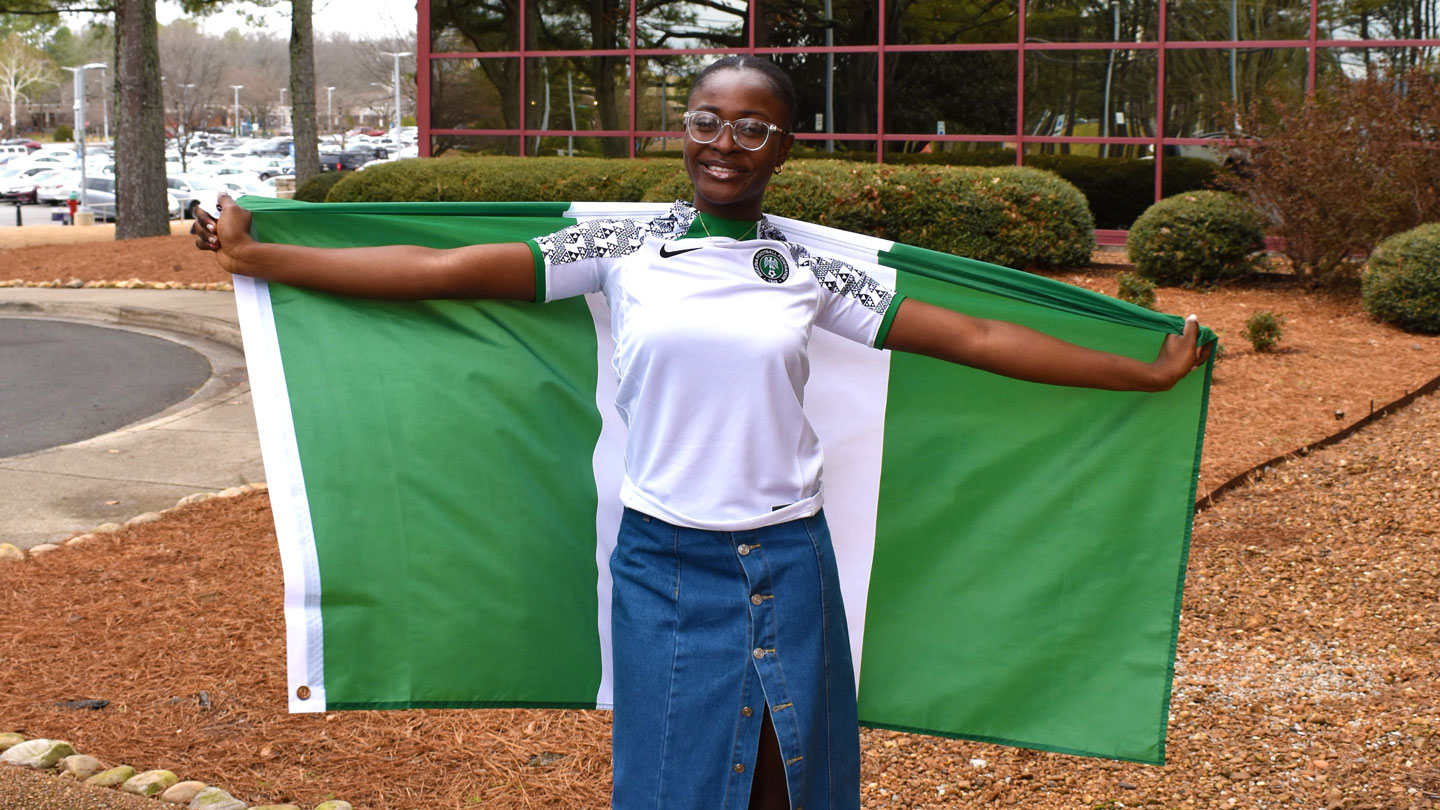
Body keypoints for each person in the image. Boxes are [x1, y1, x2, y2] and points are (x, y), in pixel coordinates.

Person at [194, 55, 1208, 810]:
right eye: (707, 120)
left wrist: (1139, 372)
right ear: (685, 134)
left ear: (785, 145)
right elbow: (442, 273)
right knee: (675, 786)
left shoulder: (812, 269)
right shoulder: (625, 245)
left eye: (752, 126)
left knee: (785, 782)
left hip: (790, 558)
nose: (725, 141)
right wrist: (261, 261)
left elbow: (978, 335)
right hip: (666, 565)